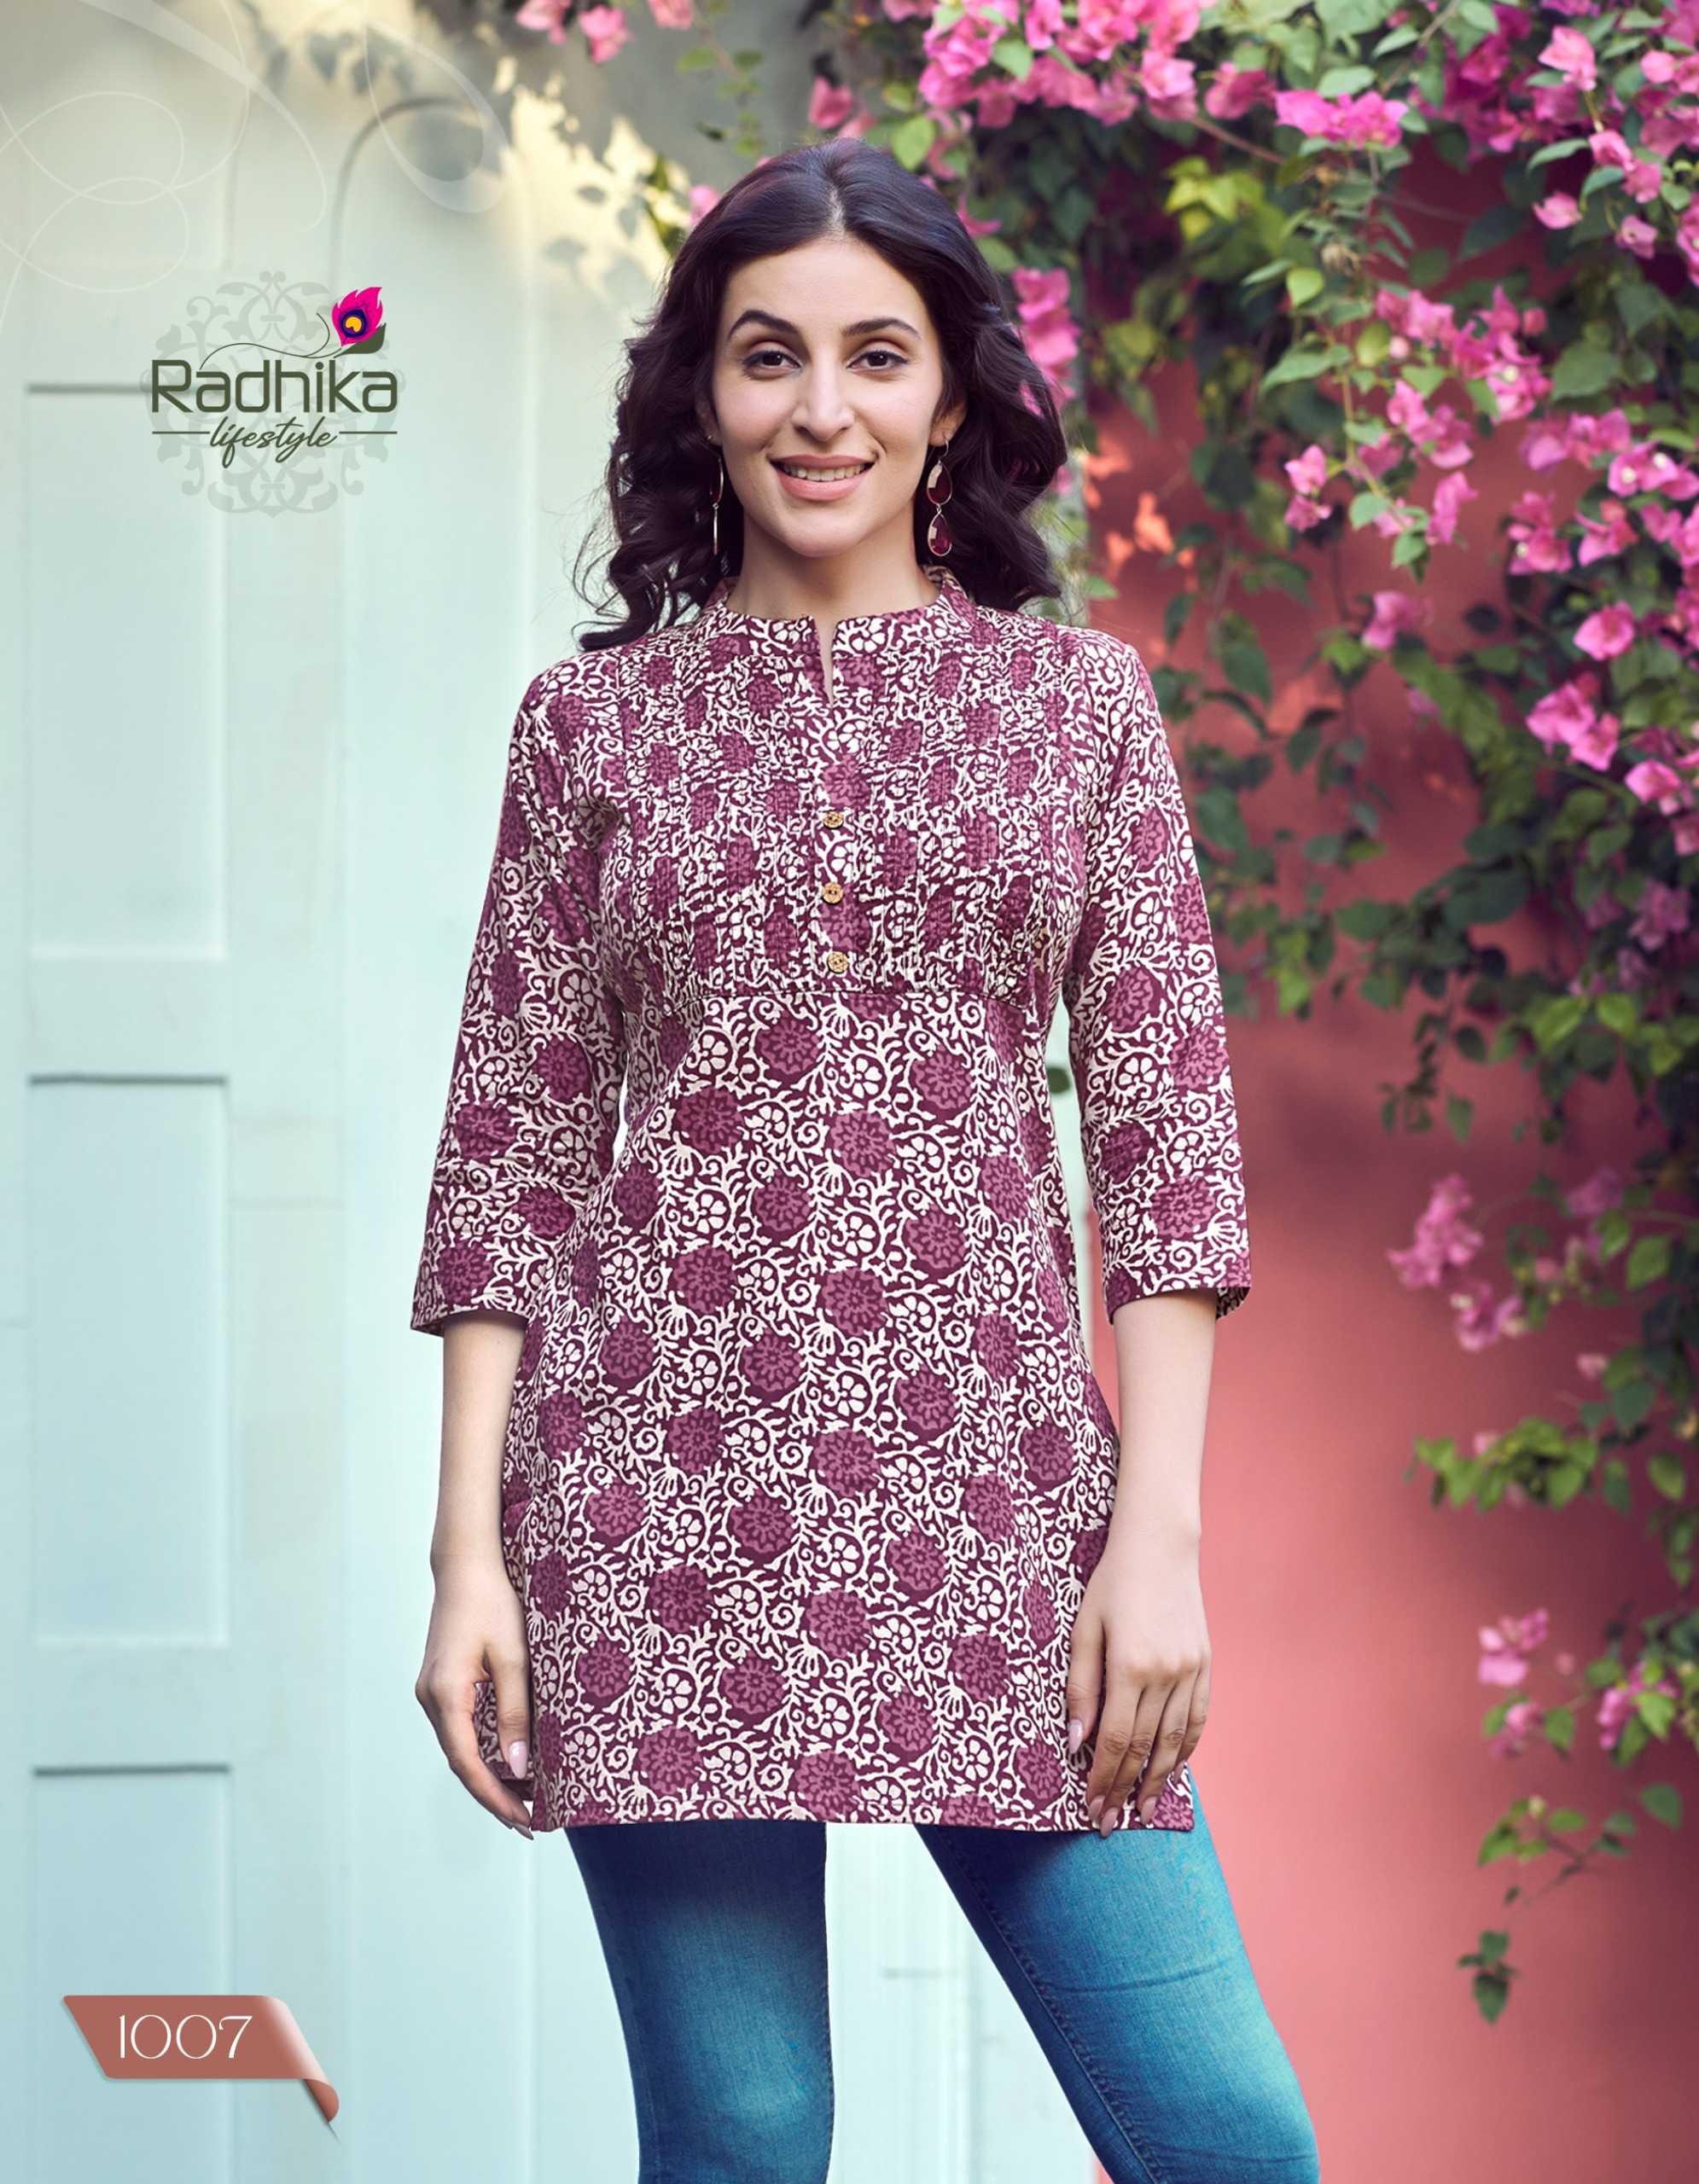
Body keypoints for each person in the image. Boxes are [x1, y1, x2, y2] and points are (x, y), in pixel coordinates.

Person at [410, 138, 1318, 2184]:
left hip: (1000, 1488)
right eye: (769, 356)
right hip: (658, 1500)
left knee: (1222, 2132)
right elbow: (512, 1142)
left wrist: (1156, 1538)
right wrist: (468, 1551)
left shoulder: (1076, 707)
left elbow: (1168, 1140)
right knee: (743, 2133)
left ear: (953, 397)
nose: (820, 409)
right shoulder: (589, 731)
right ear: (703, 396)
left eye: (875, 355)